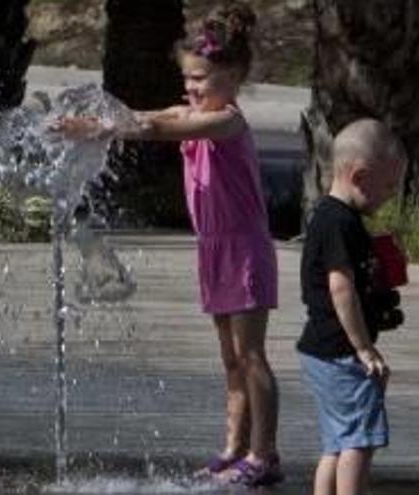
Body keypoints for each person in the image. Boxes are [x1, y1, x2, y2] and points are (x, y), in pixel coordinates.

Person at [56, 1, 283, 487]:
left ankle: (265, 454)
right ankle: (233, 449)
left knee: (251, 355)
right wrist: (82, 124)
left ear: (235, 75)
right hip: (212, 248)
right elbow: (142, 115)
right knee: (229, 358)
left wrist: (104, 128)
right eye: (188, 79)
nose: (192, 88)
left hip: (243, 250)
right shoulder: (192, 110)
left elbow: (155, 129)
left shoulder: (227, 123)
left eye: (201, 79)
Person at [298, 119, 406, 495]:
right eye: (389, 186)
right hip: (342, 352)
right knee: (359, 440)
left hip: (321, 349)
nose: (391, 195)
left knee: (337, 442)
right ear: (359, 176)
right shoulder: (339, 222)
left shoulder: (333, 218)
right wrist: (363, 347)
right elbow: (340, 288)